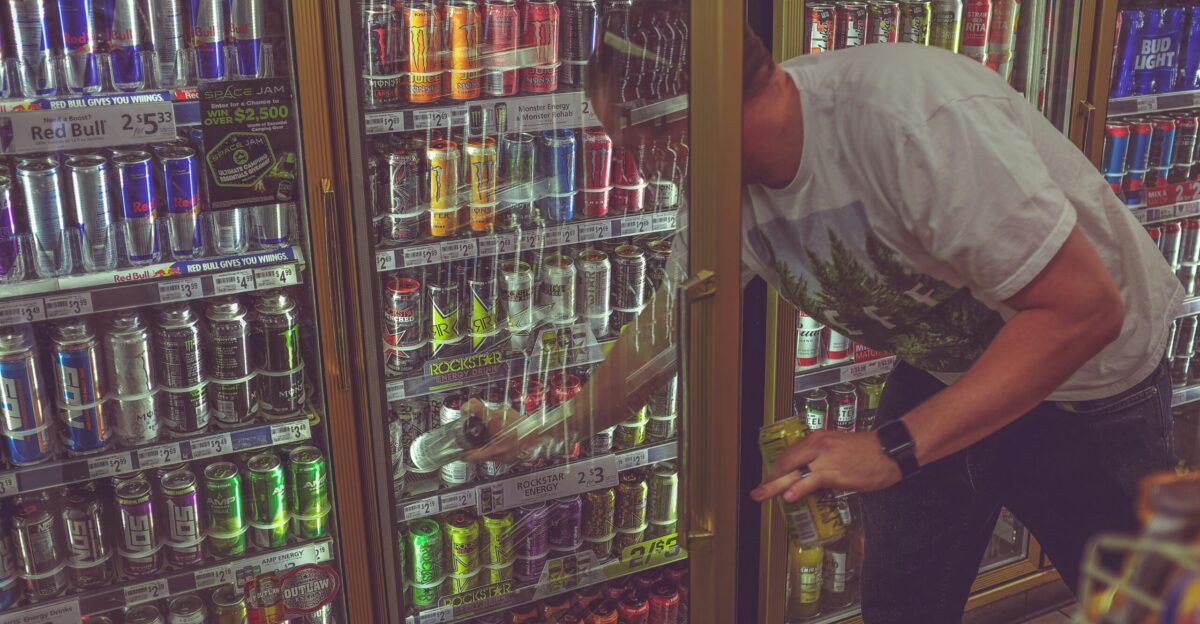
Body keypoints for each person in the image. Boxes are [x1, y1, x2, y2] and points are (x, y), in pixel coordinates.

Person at [466, 20, 1182, 622]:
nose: (632, 165)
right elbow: (671, 329)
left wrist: (893, 448)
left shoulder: (910, 119)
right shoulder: (720, 180)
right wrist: (546, 429)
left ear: (685, 117)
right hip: (947, 369)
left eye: (629, 139)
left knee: (1140, 602)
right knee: (902, 597)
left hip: (1091, 384)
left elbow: (1082, 309)